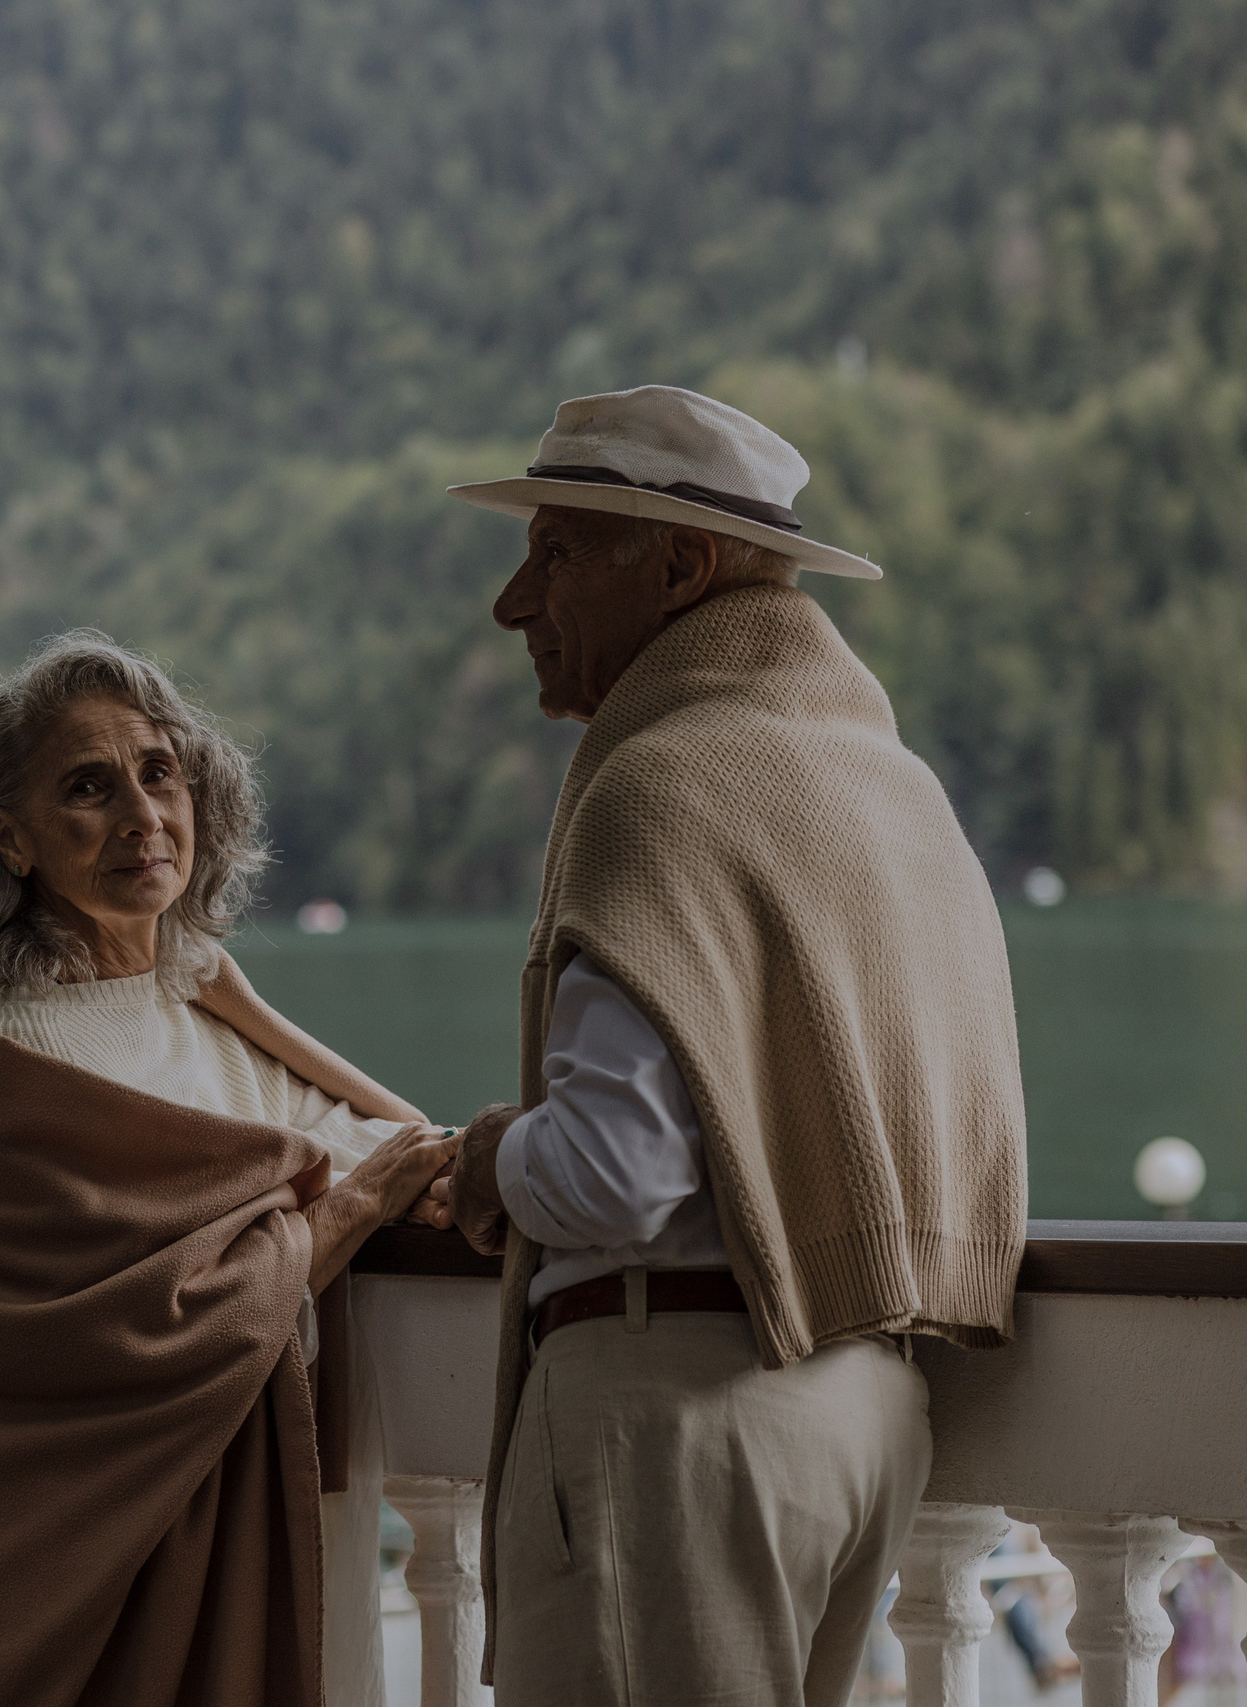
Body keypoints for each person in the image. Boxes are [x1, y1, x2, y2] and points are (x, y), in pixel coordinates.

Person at [431, 386, 1030, 1705]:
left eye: (556, 555)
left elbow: (612, 1173)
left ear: (683, 567)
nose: (515, 602)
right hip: (863, 1412)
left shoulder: (665, 782)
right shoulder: (894, 789)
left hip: (676, 1424)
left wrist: (484, 1162)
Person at [0, 632, 459, 1707]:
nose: (143, 817)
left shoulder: (206, 1003)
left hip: (268, 1511)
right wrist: (354, 1202)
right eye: (88, 788)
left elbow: (378, 1137)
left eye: (160, 772)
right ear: (9, 837)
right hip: (77, 1584)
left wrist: (391, 1181)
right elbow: (134, 1319)